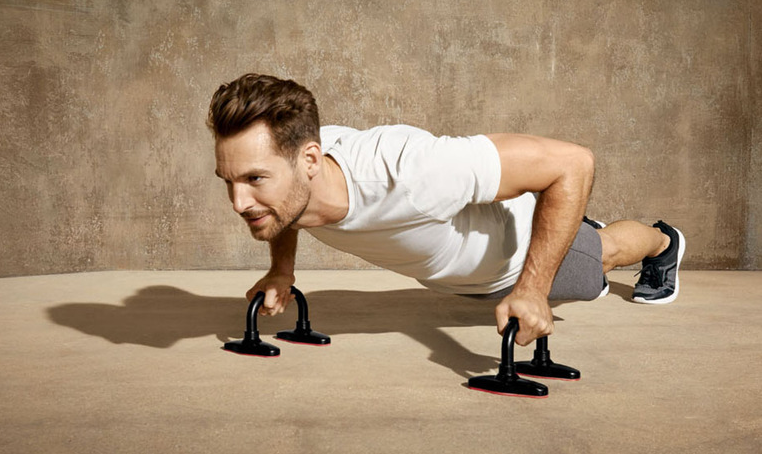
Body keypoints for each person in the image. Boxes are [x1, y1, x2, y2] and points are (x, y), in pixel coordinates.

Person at [207, 73, 685, 347]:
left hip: (519, 257)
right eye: (230, 181)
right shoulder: (295, 165)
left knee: (604, 252)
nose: (239, 203)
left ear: (309, 159)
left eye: (253, 181)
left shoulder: (414, 170)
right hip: (464, 281)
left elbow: (574, 162)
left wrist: (534, 289)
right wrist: (281, 270)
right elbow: (288, 206)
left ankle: (664, 241)